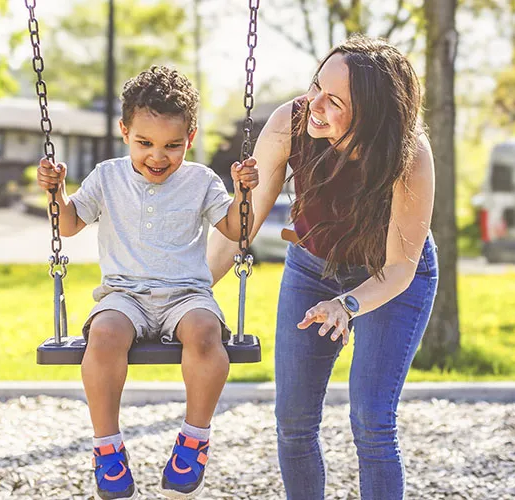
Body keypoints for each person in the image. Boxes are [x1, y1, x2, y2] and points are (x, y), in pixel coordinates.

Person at [207, 34, 438, 500]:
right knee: (293, 422)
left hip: (391, 279)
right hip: (312, 267)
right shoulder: (288, 124)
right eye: (316, 86)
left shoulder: (408, 156)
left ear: (372, 115)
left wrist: (347, 305)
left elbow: (398, 269)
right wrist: (183, 292)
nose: (314, 103)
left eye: (333, 100)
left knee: (372, 421)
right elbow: (241, 227)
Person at [37, 66, 258, 500]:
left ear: (189, 139)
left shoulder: (200, 181)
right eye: (145, 143)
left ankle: (194, 439)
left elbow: (235, 230)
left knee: (205, 331)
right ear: (124, 132)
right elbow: (70, 224)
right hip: (125, 295)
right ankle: (108, 448)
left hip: (186, 294)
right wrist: (57, 194)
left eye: (172, 146)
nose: (158, 156)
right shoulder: (106, 176)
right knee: (103, 334)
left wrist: (242, 192)